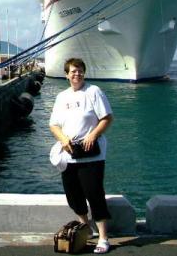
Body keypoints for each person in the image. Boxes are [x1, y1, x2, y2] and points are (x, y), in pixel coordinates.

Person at [49, 58, 113, 254]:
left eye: (80, 71)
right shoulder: (62, 97)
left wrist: (93, 135)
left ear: (84, 73)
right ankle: (86, 228)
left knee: (94, 194)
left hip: (91, 154)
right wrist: (63, 140)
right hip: (69, 154)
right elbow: (54, 124)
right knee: (74, 195)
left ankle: (103, 237)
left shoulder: (93, 92)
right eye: (73, 71)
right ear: (67, 75)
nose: (77, 74)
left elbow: (107, 118)